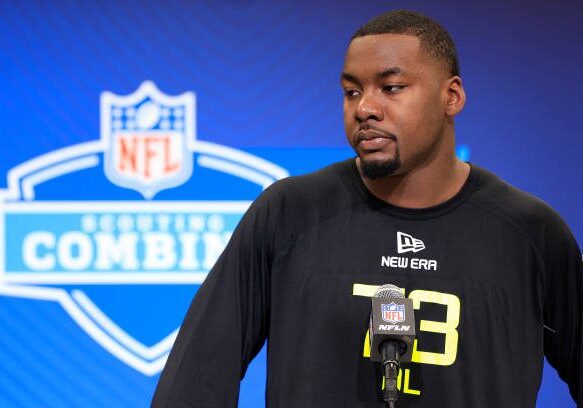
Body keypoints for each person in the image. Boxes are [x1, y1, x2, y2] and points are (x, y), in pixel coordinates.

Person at [152, 10, 582, 407]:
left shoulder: (530, 233)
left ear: (451, 96)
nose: (365, 108)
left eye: (391, 88)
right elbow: (195, 381)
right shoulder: (288, 214)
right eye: (351, 91)